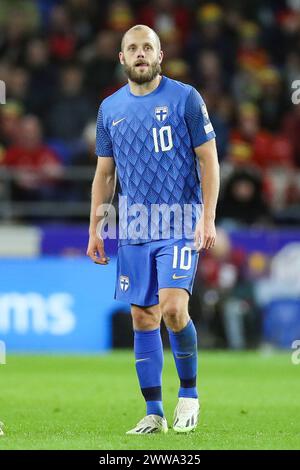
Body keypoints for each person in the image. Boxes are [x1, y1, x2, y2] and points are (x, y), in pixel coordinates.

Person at [87, 25, 219, 435]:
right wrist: (96, 227)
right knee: (144, 319)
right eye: (133, 48)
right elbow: (105, 173)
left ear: (160, 56)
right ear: (122, 58)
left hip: (179, 221)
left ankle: (190, 396)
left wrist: (208, 216)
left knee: (174, 309)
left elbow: (209, 161)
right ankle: (154, 411)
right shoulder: (109, 109)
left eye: (148, 47)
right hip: (135, 227)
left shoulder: (186, 99)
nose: (140, 53)